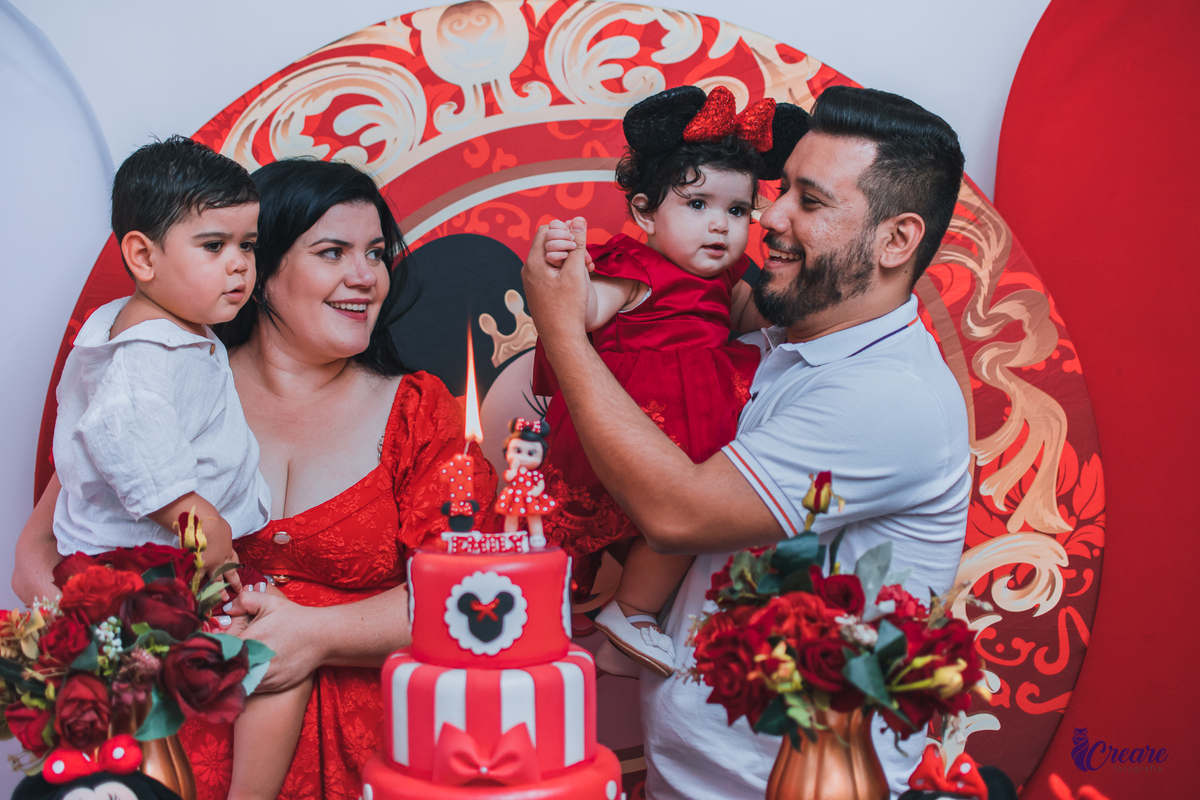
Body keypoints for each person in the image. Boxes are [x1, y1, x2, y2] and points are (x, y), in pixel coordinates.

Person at [522, 85, 971, 800]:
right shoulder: (775, 344)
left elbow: (679, 515)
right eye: (780, 190)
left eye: (810, 202)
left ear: (896, 239)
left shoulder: (889, 394)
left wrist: (561, 329)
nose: (771, 219)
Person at [14, 157, 497, 800]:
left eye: (376, 253)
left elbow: (477, 595)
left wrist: (316, 634)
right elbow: (40, 552)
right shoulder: (169, 381)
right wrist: (114, 639)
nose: (365, 276)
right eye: (333, 252)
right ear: (259, 271)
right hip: (167, 757)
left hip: (376, 759)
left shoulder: (419, 411)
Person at [47, 135, 308, 800]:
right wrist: (214, 564)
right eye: (213, 246)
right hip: (136, 584)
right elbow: (162, 485)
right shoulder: (144, 356)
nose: (239, 267)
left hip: (160, 570)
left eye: (248, 246)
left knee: (175, 722)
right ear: (141, 254)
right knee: (159, 731)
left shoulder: (169, 329)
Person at [533, 85, 807, 678]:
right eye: (697, 205)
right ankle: (629, 611)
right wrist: (566, 268)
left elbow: (746, 318)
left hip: (699, 403)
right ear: (643, 213)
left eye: (735, 212)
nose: (719, 226)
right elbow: (582, 310)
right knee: (687, 515)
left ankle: (625, 611)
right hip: (655, 414)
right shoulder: (639, 270)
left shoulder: (726, 272)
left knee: (692, 519)